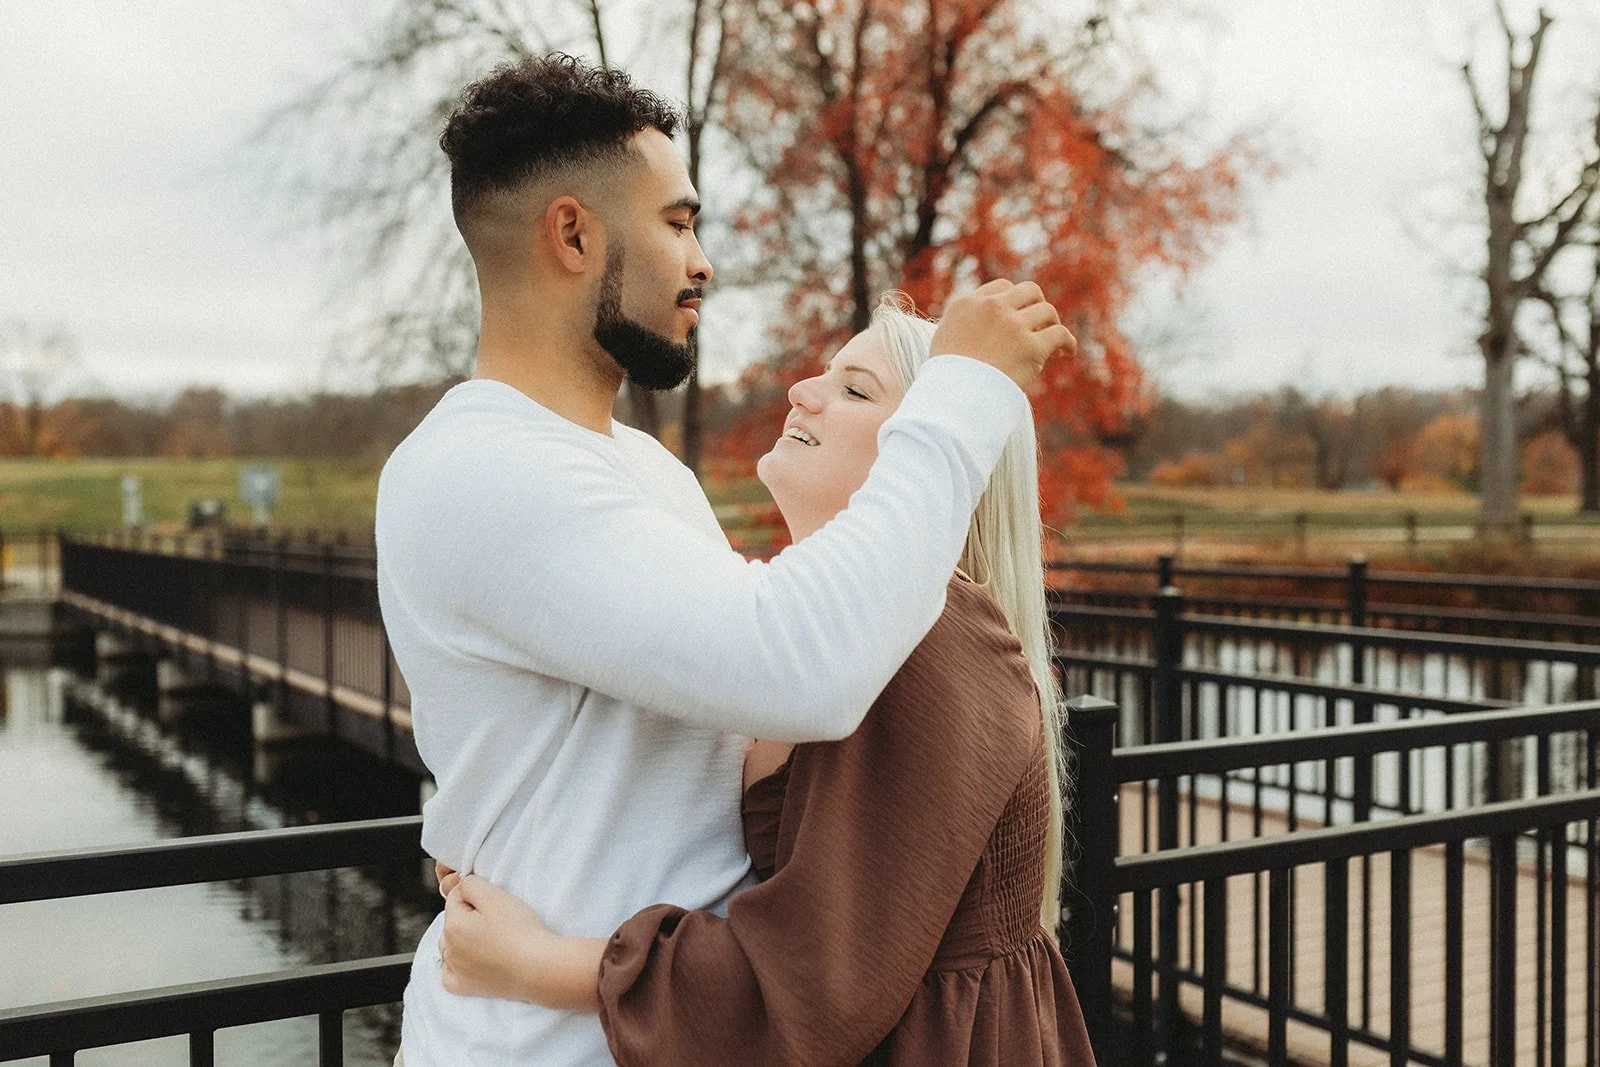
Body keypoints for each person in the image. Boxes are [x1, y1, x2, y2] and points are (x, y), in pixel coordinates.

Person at [375, 55, 1075, 1065]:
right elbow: (797, 666)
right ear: (572, 233)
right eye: (676, 222)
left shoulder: (647, 472)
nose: (700, 261)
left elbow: (732, 711)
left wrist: (475, 807)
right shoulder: (479, 469)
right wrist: (961, 396)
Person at [435, 297, 1098, 1065]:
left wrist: (535, 964)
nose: (801, 391)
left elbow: (809, 981)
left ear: (938, 453)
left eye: (855, 389)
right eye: (824, 373)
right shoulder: (793, 630)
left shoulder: (934, 638)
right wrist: (516, 841)